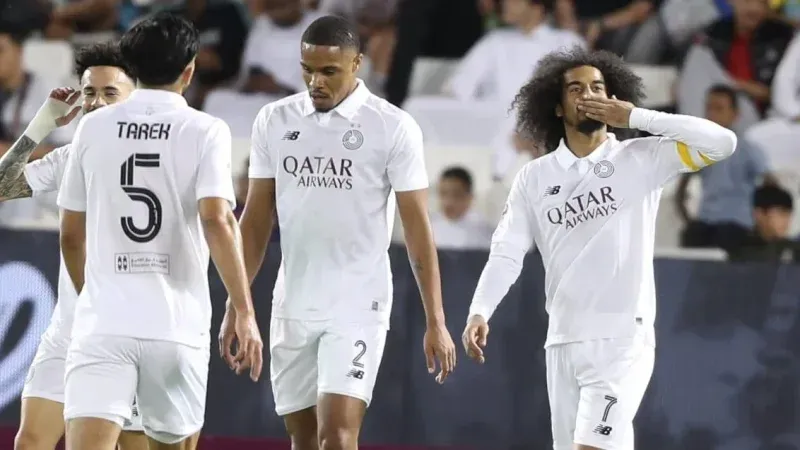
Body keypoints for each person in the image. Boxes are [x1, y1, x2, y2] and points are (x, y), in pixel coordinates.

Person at [461, 47, 736, 450]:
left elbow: (723, 142)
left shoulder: (643, 158)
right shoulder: (534, 178)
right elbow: (507, 253)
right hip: (563, 341)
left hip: (621, 340)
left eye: (597, 87)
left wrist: (637, 118)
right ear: (557, 107)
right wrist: (480, 310)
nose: (588, 95)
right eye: (576, 89)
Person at [221, 15, 456, 450]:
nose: (316, 82)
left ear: (356, 64)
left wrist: (436, 320)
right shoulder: (274, 120)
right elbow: (255, 220)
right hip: (293, 302)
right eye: (307, 70)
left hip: (357, 304)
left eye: (329, 71)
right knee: (304, 438)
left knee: (338, 433)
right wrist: (239, 303)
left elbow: (418, 229)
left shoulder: (392, 126)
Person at [55, 13, 262, 450]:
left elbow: (71, 235)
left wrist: (92, 296)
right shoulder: (206, 130)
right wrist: (243, 310)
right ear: (189, 70)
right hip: (176, 326)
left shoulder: (92, 126)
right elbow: (217, 220)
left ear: (131, 68)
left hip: (104, 324)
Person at [0, 41, 150, 450]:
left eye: (110, 93)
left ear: (136, 97)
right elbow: (2, 186)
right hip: (70, 329)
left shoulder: (158, 159)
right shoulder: (69, 157)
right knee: (30, 442)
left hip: (128, 332)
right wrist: (39, 126)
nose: (96, 102)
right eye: (89, 93)